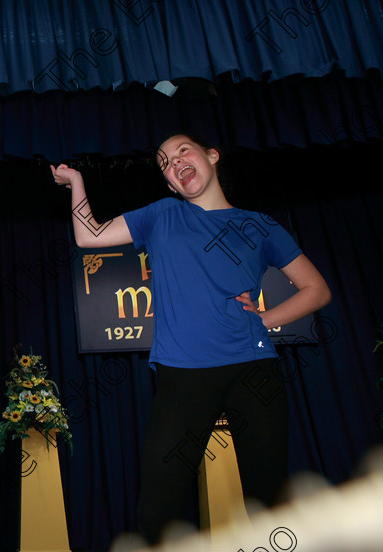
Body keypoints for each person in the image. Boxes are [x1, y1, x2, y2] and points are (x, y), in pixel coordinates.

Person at [52, 133, 331, 544]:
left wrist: (267, 318)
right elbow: (88, 236)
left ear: (211, 156)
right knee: (158, 501)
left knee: (267, 497)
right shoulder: (162, 213)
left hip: (254, 370)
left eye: (183, 151)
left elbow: (317, 289)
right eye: (165, 162)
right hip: (183, 373)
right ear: (170, 184)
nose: (175, 162)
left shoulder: (259, 224)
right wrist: (76, 183)